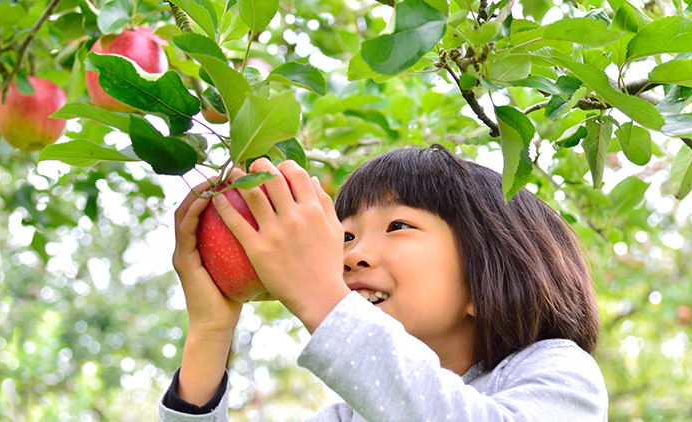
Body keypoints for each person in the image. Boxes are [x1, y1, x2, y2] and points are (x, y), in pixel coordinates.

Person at [159, 144, 609, 422]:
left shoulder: (556, 373)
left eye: (397, 226)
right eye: (346, 235)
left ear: (486, 272)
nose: (351, 255)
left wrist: (322, 299)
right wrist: (210, 332)